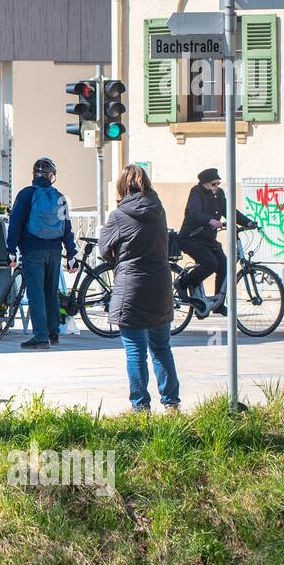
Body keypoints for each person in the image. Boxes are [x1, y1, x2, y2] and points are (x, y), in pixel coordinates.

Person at [99, 165, 179, 412]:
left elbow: (103, 249)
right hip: (160, 287)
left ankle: (140, 406)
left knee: (135, 351)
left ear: (123, 186)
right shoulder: (159, 210)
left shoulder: (119, 216)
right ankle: (171, 403)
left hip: (131, 288)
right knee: (162, 347)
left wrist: (117, 254)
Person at [5, 156, 76, 350]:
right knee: (50, 292)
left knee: (36, 293)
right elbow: (67, 228)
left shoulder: (26, 195)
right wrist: (71, 254)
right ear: (52, 176)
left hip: (32, 250)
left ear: (34, 175)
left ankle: (40, 336)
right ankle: (53, 332)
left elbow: (15, 224)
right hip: (54, 251)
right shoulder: (60, 197)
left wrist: (11, 250)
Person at [175, 167, 256, 315]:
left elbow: (229, 211)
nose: (216, 187)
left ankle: (218, 304)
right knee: (210, 263)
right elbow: (194, 212)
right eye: (213, 184)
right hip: (191, 238)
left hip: (208, 240)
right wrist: (210, 220)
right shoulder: (196, 192)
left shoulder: (219, 194)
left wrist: (248, 223)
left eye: (218, 183)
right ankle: (182, 283)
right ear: (204, 184)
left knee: (224, 266)